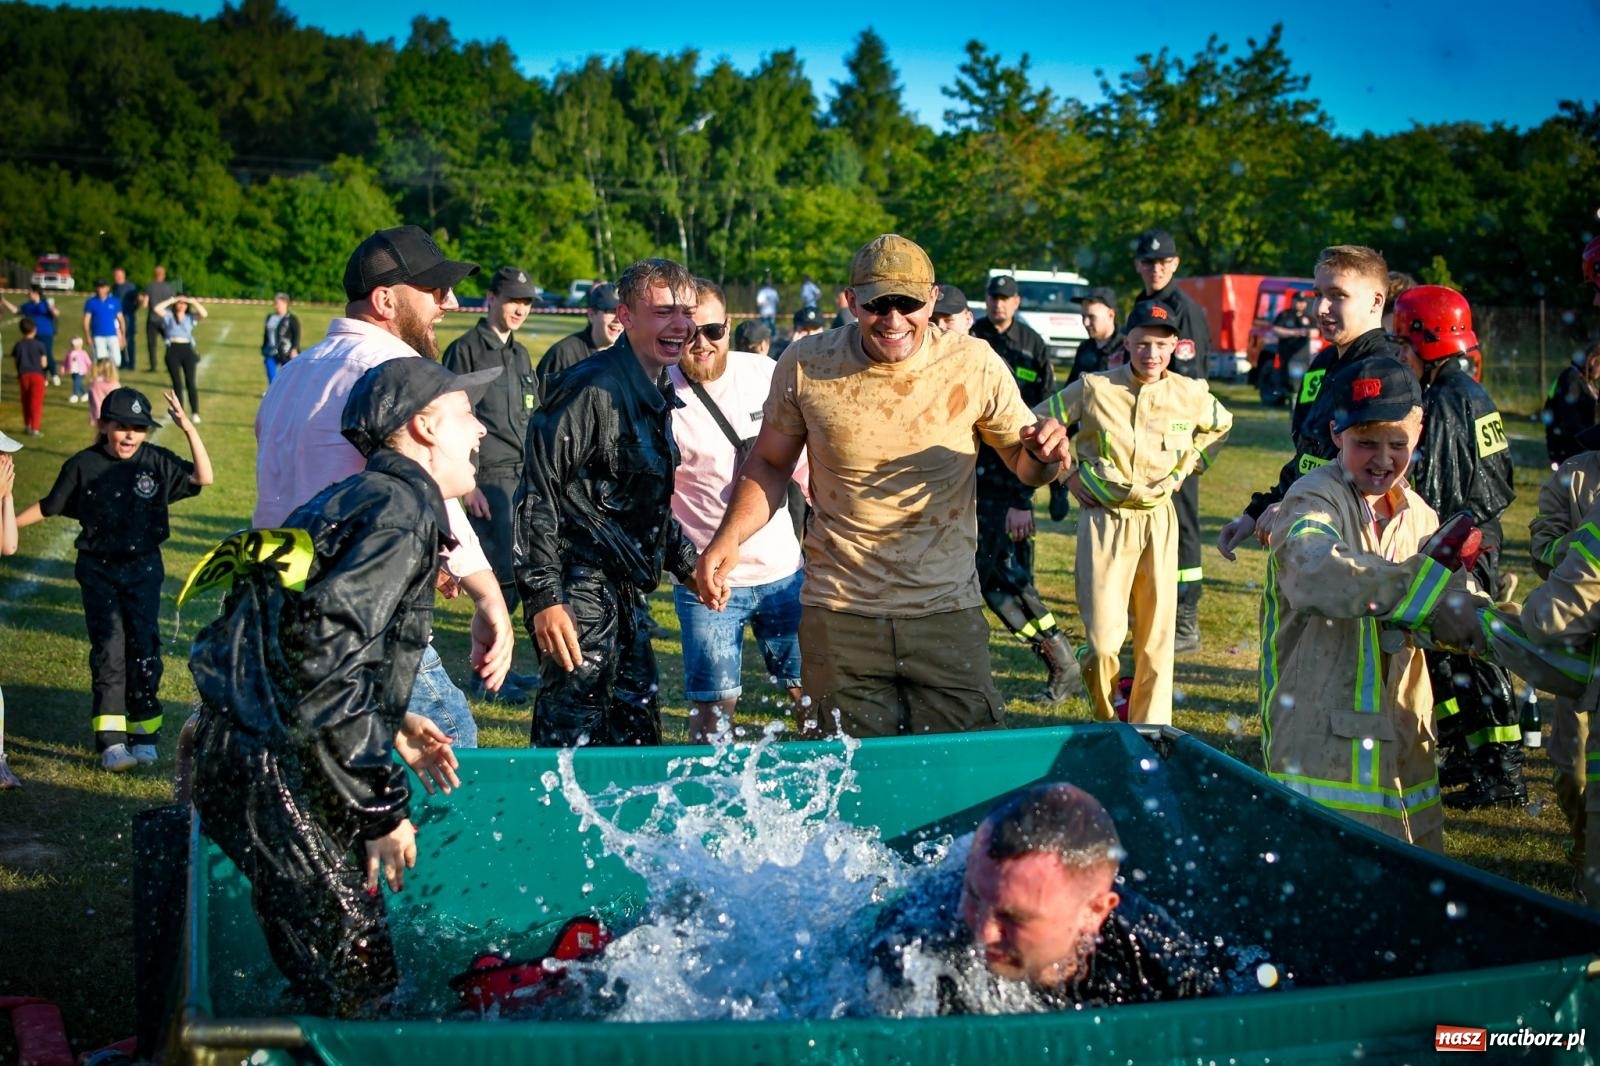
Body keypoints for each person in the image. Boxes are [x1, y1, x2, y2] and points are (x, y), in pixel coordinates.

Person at [187, 358, 486, 1017]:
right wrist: (378, 810)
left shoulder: (365, 495)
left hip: (250, 749)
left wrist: (396, 719)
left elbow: (305, 636)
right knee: (358, 976)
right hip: (268, 762)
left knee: (337, 959)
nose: (482, 431)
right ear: (425, 425)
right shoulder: (399, 510)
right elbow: (327, 661)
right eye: (469, 416)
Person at [695, 234, 1069, 738]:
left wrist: (1046, 459)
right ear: (851, 301)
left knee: (957, 768)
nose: (893, 320)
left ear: (933, 299)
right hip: (840, 611)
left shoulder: (973, 363)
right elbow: (768, 463)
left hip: (945, 610)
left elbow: (1024, 463)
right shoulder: (807, 363)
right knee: (844, 779)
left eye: (908, 303)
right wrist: (729, 536)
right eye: (876, 304)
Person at [255, 224, 511, 748]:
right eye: (436, 290)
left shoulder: (291, 374)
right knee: (449, 757)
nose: (450, 301)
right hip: (370, 627)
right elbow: (426, 481)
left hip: (283, 620)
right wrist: (488, 595)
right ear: (386, 299)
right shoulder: (391, 371)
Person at [1258, 357, 1493, 851]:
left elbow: (1443, 609)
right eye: (1365, 442)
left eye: (1398, 443)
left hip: (1406, 731)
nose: (1383, 459)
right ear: (1335, 434)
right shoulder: (1311, 500)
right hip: (1321, 735)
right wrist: (1422, 583)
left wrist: (1481, 617)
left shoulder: (1420, 515)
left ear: (1420, 432)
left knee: (1414, 873)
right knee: (1325, 869)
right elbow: (1316, 574)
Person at [516, 257, 700, 747]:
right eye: (663, 311)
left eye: (688, 311)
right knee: (571, 747)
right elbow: (538, 493)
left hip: (623, 593)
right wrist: (544, 598)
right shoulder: (590, 388)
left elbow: (636, 503)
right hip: (577, 589)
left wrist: (688, 563)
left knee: (635, 742)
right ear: (625, 316)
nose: (681, 325)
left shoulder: (658, 387)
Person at [1035, 302, 1232, 724]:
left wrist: (1190, 463)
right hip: (1105, 521)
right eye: (1142, 345)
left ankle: (1150, 727)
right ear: (1126, 343)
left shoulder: (1190, 393)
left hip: (1159, 521)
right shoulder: (1094, 388)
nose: (1151, 355)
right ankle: (1109, 719)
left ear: (1175, 346)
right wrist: (1066, 475)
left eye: (1161, 346)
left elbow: (1221, 424)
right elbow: (1036, 423)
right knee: (1104, 641)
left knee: (1156, 639)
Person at [867, 782, 1216, 1015]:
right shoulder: (913, 945)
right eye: (973, 895)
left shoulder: (1156, 961)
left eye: (1014, 918)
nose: (984, 931)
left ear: (1094, 912)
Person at [16, 386, 212, 771]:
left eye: (138, 428)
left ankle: (144, 736)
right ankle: (112, 744)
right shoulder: (82, 465)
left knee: (144, 651)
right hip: (99, 570)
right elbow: (48, 505)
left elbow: (203, 477)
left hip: (144, 570)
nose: (128, 435)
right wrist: (9, 523)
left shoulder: (155, 461)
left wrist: (188, 428)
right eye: (120, 426)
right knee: (109, 650)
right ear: (103, 424)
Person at [1392, 285, 1522, 810]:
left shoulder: (1445, 402)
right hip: (1479, 539)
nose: (1401, 354)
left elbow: (1438, 492)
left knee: (1473, 659)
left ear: (1426, 341)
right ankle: (1469, 758)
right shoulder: (1472, 392)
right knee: (1453, 660)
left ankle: (1501, 773)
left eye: (1404, 344)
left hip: (1460, 547)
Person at [668, 278, 808, 742]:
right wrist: (686, 567)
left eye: (713, 330)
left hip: (785, 573)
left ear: (730, 326)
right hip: (708, 583)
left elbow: (801, 462)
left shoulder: (763, 372)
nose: (702, 343)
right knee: (712, 715)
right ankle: (708, 802)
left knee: (812, 699)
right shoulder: (657, 395)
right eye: (689, 333)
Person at [1217, 245, 1404, 560]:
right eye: (1318, 295)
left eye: (1337, 295)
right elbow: (1308, 457)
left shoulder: (1387, 375)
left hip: (1354, 551)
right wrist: (1255, 512)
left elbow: (1374, 477)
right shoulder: (1323, 364)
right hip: (1308, 538)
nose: (1321, 308)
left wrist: (1297, 503)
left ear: (1376, 302)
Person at [974, 273, 1081, 704]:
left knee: (1012, 580)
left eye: (1005, 298)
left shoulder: (1032, 345)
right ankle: (1057, 658)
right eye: (993, 298)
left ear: (1015, 301)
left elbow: (1041, 427)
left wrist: (1026, 500)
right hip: (975, 485)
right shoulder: (975, 341)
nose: (998, 304)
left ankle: (1062, 659)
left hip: (1011, 485)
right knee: (990, 584)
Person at [442, 265, 541, 703]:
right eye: (512, 300)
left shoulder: (519, 355)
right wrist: (468, 486)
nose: (519, 309)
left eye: (526, 302)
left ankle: (500, 668)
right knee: (497, 577)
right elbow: (447, 419)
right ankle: (486, 679)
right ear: (491, 299)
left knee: (520, 574)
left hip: (523, 477)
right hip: (487, 478)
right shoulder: (465, 350)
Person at [1131, 229, 1212, 653]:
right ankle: (1153, 608)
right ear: (1138, 265)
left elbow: (1192, 387)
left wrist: (1186, 450)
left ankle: (1185, 619)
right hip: (1141, 434)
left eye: (1163, 262)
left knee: (1182, 527)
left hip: (1176, 435)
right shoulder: (1141, 305)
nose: (1156, 268)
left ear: (1176, 264)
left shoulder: (1186, 312)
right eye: (1148, 262)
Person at [1528, 423, 1600, 899]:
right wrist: (1576, 550)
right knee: (1572, 767)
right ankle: (1582, 847)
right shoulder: (1574, 476)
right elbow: (1541, 545)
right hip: (1575, 645)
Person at [534, 283, 623, 404]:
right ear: (591, 314)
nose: (618, 319)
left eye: (622, 312)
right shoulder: (563, 354)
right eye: (611, 311)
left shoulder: (629, 357)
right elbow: (540, 407)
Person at [1544, 342, 1600, 468]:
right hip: (1569, 448)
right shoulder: (1571, 379)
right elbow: (1570, 420)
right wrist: (1591, 440)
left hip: (1577, 446)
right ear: (1593, 361)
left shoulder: (1582, 380)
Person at [153, 294, 207, 422]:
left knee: (190, 382)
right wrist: (171, 300)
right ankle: (179, 410)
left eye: (183, 303)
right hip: (173, 349)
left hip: (187, 349)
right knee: (177, 383)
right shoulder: (169, 316)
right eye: (179, 303)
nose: (181, 305)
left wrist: (192, 301)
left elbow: (204, 314)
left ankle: (195, 412)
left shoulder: (190, 317)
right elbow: (156, 309)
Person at [1262, 291, 1315, 404]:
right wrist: (1294, 333)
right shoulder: (1284, 315)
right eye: (1298, 301)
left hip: (1303, 356)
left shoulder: (1309, 318)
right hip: (1287, 355)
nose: (1300, 304)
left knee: (1300, 383)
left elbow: (1316, 332)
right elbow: (1276, 329)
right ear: (1293, 301)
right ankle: (1289, 401)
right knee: (1289, 382)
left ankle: (1297, 405)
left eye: (1302, 302)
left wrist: (1305, 332)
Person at [1066, 289, 1124, 385]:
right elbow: (1070, 389)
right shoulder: (1084, 348)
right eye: (1083, 317)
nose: (1086, 323)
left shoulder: (1127, 349)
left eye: (1092, 317)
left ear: (1111, 315)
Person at [11, 318, 49, 436]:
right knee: (36, 403)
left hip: (23, 375)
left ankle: (27, 425)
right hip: (37, 375)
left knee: (26, 401)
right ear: (34, 329)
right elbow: (44, 363)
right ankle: (35, 428)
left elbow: (16, 361)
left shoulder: (18, 345)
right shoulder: (39, 344)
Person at [261, 292, 302, 387]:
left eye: (277, 303)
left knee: (289, 376)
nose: (275, 306)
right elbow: (266, 334)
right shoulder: (270, 317)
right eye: (275, 303)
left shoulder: (292, 319)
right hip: (271, 352)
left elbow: (297, 334)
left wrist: (294, 349)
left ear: (285, 303)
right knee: (271, 373)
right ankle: (274, 391)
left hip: (286, 352)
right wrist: (263, 347)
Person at [83, 278, 125, 368]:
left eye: (102, 287)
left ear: (107, 288)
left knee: (117, 360)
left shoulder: (114, 301)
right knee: (100, 359)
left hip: (112, 334)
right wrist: (87, 336)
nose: (100, 290)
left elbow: (121, 319)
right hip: (98, 335)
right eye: (98, 287)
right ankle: (102, 379)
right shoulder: (91, 302)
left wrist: (123, 336)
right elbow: (86, 320)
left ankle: (112, 376)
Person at [18, 286, 58, 378]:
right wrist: (4, 301)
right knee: (38, 356)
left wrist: (51, 306)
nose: (28, 294)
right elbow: (16, 310)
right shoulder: (27, 305)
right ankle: (43, 375)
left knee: (47, 353)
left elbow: (56, 313)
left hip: (46, 333)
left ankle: (54, 374)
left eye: (30, 292)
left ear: (36, 293)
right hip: (32, 335)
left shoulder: (45, 303)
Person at [144, 265, 177, 373]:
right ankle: (170, 365)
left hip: (152, 319)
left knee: (152, 344)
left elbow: (145, 303)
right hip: (165, 319)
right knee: (169, 343)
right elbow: (173, 303)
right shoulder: (169, 288)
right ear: (164, 275)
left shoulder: (149, 287)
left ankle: (153, 366)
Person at [111, 267, 140, 372]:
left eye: (119, 275)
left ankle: (131, 363)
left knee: (130, 340)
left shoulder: (130, 287)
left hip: (128, 317)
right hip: (117, 317)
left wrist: (133, 310)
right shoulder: (114, 287)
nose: (117, 277)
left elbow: (137, 301)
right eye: (115, 275)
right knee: (119, 340)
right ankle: (123, 362)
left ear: (123, 275)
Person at [87, 357, 119, 425]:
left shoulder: (93, 383)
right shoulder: (115, 384)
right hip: (112, 415)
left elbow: (91, 402)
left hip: (97, 415)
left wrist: (91, 415)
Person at [64, 336, 92, 404]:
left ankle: (75, 395)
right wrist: (63, 368)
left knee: (76, 382)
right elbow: (65, 361)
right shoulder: (70, 353)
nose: (74, 347)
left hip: (81, 371)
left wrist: (90, 368)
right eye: (73, 346)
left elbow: (88, 361)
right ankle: (85, 393)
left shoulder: (83, 353)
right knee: (78, 383)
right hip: (73, 371)